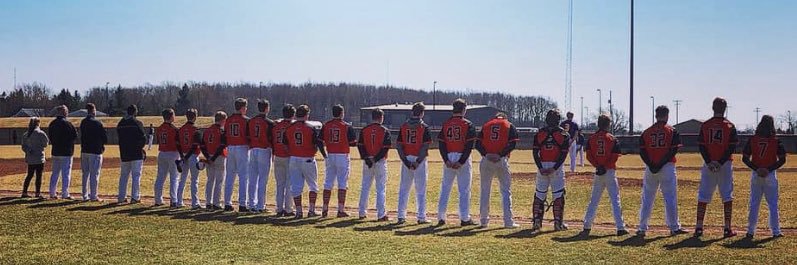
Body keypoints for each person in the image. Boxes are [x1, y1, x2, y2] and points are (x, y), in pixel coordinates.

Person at [637, 105, 687, 237]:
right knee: (670, 197)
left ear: (656, 115)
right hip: (667, 166)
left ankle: (642, 227)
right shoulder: (672, 130)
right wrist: (661, 163)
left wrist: (651, 164)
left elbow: (642, 151)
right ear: (667, 115)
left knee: (647, 198)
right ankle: (674, 227)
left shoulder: (646, 132)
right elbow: (673, 150)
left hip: (650, 168)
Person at [695, 97, 738, 238]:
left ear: (713, 108)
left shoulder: (705, 125)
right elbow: (731, 147)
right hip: (725, 164)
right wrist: (720, 162)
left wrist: (709, 162)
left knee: (703, 195)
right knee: (727, 196)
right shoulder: (730, 126)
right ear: (725, 108)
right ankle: (727, 228)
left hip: (709, 164)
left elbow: (701, 146)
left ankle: (699, 227)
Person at [581, 114, 628, 236]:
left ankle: (587, 225)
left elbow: (589, 156)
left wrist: (598, 166)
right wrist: (605, 165)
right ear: (608, 124)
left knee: (594, 200)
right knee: (615, 199)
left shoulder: (592, 138)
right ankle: (620, 227)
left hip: (598, 171)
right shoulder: (612, 138)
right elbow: (615, 156)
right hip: (610, 171)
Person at [742, 115, 785, 238]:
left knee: (754, 203)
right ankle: (776, 231)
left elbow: (745, 158)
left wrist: (757, 169)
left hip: (756, 174)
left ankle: (750, 231)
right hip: (770, 174)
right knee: (773, 204)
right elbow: (782, 159)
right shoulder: (776, 140)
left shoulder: (753, 139)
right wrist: (768, 169)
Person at [475, 112, 519, 229]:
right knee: (505, 191)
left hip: (486, 159)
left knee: (485, 190)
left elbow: (477, 144)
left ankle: (483, 220)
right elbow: (513, 144)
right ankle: (508, 221)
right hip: (501, 160)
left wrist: (486, 154)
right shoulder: (509, 125)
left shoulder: (486, 125)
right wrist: (500, 154)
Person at [437, 99, 476, 226]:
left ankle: (441, 216)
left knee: (445, 188)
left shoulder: (446, 123)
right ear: (463, 109)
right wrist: (462, 161)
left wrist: (446, 160)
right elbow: (469, 145)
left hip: (449, 155)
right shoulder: (467, 124)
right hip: (462, 155)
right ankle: (464, 218)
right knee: (464, 190)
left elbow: (441, 144)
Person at [285, 105, 327, 219]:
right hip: (308, 158)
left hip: (294, 158)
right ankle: (311, 210)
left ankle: (299, 212)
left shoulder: (289, 128)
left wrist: (292, 152)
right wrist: (324, 155)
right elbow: (317, 143)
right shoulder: (310, 128)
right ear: (306, 115)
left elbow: (285, 144)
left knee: (296, 186)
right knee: (313, 186)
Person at [532, 109, 570, 232]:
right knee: (558, 195)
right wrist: (555, 168)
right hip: (556, 166)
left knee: (539, 194)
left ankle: (537, 221)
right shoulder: (564, 134)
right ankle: (558, 223)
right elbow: (563, 154)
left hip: (542, 164)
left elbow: (535, 152)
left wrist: (540, 167)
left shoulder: (540, 133)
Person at [395, 103, 431, 225]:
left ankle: (401, 216)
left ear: (412, 112)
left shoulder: (404, 126)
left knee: (404, 189)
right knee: (420, 190)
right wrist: (418, 162)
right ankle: (421, 216)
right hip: (419, 159)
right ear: (422, 113)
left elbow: (399, 146)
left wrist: (405, 161)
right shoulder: (424, 127)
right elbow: (425, 147)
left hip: (407, 157)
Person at [320, 104, 357, 218]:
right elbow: (353, 143)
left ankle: (325, 208)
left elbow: (319, 141)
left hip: (330, 154)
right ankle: (340, 209)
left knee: (328, 182)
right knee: (342, 183)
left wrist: (324, 154)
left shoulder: (326, 125)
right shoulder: (346, 126)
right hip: (342, 155)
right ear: (342, 113)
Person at [357, 108, 391, 221]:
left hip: (368, 161)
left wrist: (367, 158)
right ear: (381, 117)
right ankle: (381, 214)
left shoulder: (364, 130)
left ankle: (362, 212)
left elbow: (360, 146)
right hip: (380, 161)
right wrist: (375, 159)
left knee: (365, 187)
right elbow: (385, 148)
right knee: (380, 189)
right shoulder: (384, 130)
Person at [248, 100, 275, 213]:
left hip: (253, 149)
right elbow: (271, 139)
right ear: (267, 108)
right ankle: (260, 205)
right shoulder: (269, 122)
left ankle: (251, 204)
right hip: (264, 149)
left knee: (252, 178)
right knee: (263, 179)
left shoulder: (251, 121)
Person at [224, 98, 251, 212]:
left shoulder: (228, 119)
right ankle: (242, 204)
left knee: (230, 176)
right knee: (243, 177)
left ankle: (227, 202)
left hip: (230, 147)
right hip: (242, 147)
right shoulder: (246, 120)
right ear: (243, 108)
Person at [116, 105, 147, 204]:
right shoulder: (137, 123)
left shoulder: (121, 123)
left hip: (124, 152)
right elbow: (143, 138)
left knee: (124, 176)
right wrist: (140, 148)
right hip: (136, 153)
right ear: (135, 112)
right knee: (136, 176)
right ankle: (135, 197)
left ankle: (121, 197)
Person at [48, 105, 78, 199]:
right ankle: (65, 194)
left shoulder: (52, 123)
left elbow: (50, 137)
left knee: (55, 173)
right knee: (66, 174)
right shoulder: (68, 124)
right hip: (66, 152)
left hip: (56, 151)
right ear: (64, 112)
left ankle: (52, 193)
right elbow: (75, 136)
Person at [154, 108, 182, 207]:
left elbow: (158, 140)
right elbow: (178, 143)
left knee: (160, 177)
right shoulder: (174, 129)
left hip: (162, 152)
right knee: (174, 177)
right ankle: (174, 200)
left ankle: (158, 199)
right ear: (171, 116)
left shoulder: (159, 128)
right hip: (173, 153)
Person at [80, 103, 107, 202]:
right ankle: (94, 196)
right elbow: (104, 138)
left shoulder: (83, 122)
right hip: (95, 151)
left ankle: (84, 195)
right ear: (93, 111)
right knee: (94, 174)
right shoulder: (97, 123)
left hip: (84, 150)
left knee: (85, 174)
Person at [272, 105, 296, 217]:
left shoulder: (276, 125)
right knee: (289, 184)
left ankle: (279, 208)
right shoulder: (292, 126)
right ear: (293, 115)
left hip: (277, 155)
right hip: (288, 156)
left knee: (279, 184)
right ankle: (288, 209)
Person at [201, 111, 228, 210]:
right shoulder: (221, 131)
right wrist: (213, 158)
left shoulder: (207, 130)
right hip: (219, 157)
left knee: (210, 180)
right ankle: (216, 203)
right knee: (219, 181)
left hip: (209, 155)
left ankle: (208, 202)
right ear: (222, 120)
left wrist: (208, 157)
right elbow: (222, 146)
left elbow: (202, 145)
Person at [177, 109, 203, 209]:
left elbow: (178, 144)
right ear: (195, 117)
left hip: (183, 154)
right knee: (194, 180)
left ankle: (179, 201)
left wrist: (182, 156)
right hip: (192, 156)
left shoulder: (181, 129)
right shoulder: (196, 129)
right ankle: (195, 203)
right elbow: (195, 146)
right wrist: (186, 157)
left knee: (182, 179)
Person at [21, 117, 49, 198]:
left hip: (30, 158)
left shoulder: (26, 134)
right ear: (38, 123)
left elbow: (23, 147)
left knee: (29, 175)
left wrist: (28, 151)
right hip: (39, 158)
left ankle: (24, 192)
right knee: (38, 176)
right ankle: (37, 193)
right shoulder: (41, 133)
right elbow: (45, 144)